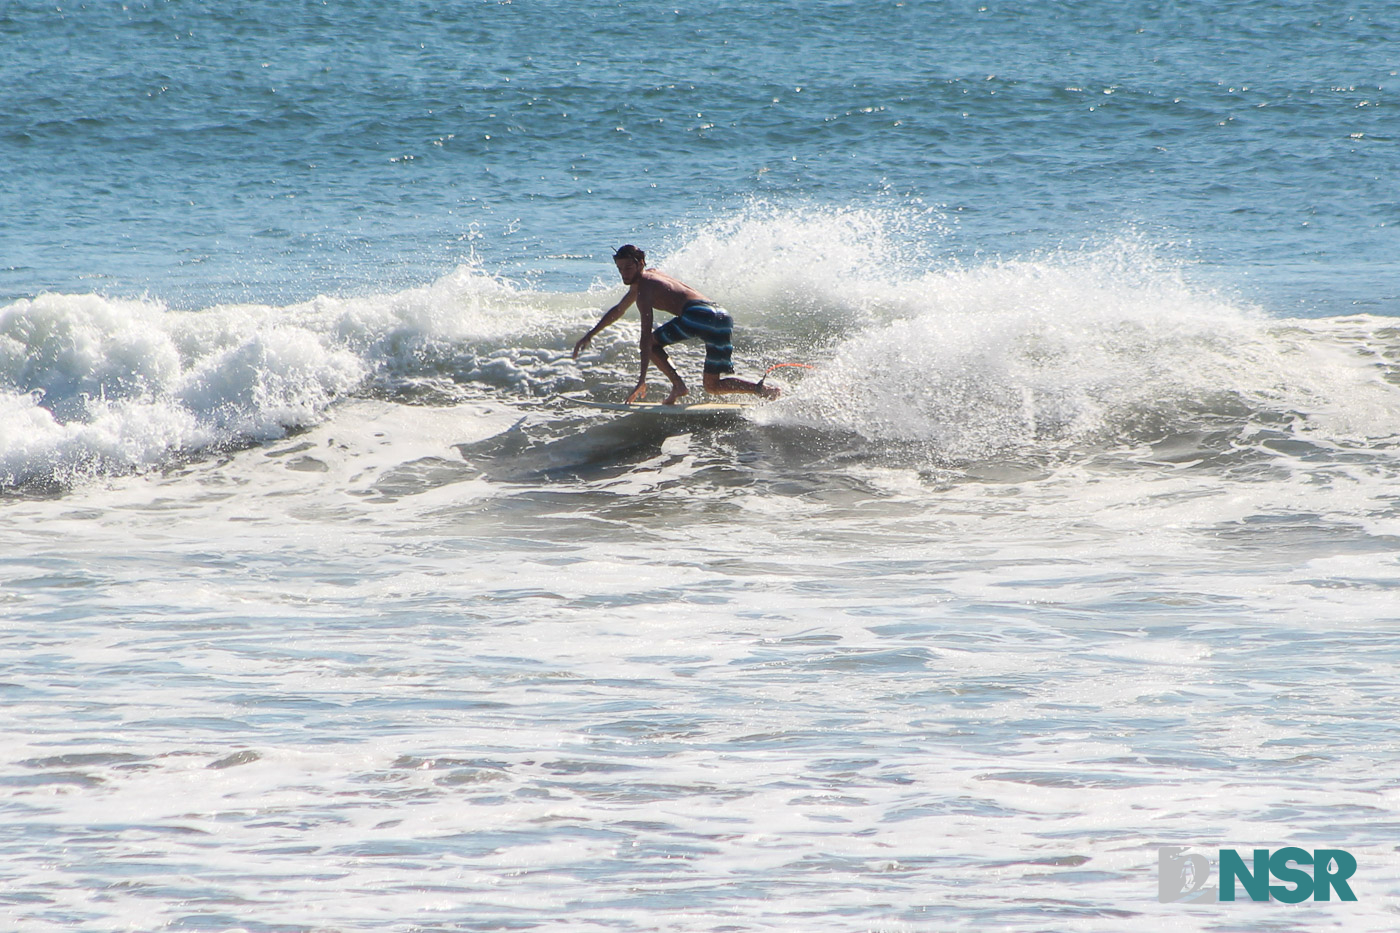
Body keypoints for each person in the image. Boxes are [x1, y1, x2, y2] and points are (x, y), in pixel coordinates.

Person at [572, 245, 780, 405]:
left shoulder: (644, 291)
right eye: (620, 269)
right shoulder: (653, 275)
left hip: (698, 314)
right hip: (722, 317)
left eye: (628, 267)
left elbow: (646, 338)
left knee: (652, 343)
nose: (624, 274)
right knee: (712, 386)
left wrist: (641, 380)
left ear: (641, 263)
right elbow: (619, 309)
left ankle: (678, 385)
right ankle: (763, 391)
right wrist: (591, 333)